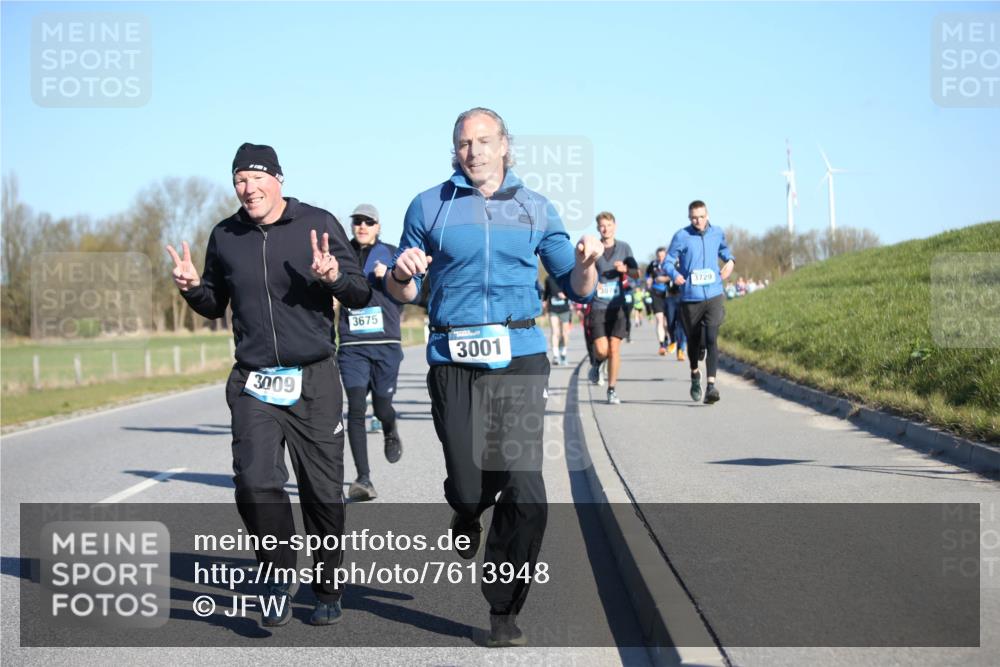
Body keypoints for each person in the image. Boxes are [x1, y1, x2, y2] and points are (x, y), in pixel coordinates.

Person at [385, 107, 601, 647]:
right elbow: (404, 293)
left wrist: (587, 260)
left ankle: (503, 607)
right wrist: (402, 274)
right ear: (454, 150)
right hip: (453, 357)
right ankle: (466, 513)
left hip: (520, 353)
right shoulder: (428, 206)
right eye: (464, 143)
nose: (474, 150)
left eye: (484, 140)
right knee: (467, 484)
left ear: (505, 144)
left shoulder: (535, 207)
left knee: (526, 486)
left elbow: (577, 286)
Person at [167, 143, 371, 627]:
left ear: (278, 179)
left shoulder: (316, 223)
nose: (248, 188)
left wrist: (334, 277)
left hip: (315, 379)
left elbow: (361, 294)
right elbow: (216, 304)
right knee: (255, 482)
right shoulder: (226, 234)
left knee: (322, 492)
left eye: (256, 178)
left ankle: (327, 582)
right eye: (239, 179)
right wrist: (193, 288)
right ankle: (278, 574)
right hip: (254, 381)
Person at [335, 203, 405, 502]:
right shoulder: (340, 255)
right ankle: (363, 478)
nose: (362, 226)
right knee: (355, 406)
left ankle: (390, 427)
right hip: (351, 344)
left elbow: (411, 290)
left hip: (386, 343)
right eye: (357, 222)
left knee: (382, 404)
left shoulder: (391, 252)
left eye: (368, 222)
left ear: (378, 226)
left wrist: (390, 274)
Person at [661, 200, 735, 403]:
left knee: (711, 338)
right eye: (694, 217)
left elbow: (725, 252)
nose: (698, 221)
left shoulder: (717, 232)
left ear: (707, 215)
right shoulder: (681, 236)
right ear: (689, 217)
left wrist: (730, 262)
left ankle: (711, 386)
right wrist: (674, 274)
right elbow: (666, 262)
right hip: (690, 297)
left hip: (714, 294)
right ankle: (695, 374)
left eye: (701, 217)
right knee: (694, 342)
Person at [585, 211, 639, 405]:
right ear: (598, 228)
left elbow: (636, 274)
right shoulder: (594, 249)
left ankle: (611, 389)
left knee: (614, 349)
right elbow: (583, 271)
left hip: (618, 307)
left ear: (614, 226)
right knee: (602, 349)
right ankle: (598, 363)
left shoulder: (624, 248)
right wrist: (592, 283)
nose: (605, 229)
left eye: (608, 225)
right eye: (601, 226)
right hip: (598, 305)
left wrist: (625, 270)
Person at [646, 247, 672, 355]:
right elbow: (648, 275)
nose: (660, 258)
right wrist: (649, 281)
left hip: (668, 294)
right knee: (659, 319)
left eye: (662, 256)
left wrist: (665, 279)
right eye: (659, 256)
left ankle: (666, 339)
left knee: (667, 322)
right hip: (656, 293)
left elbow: (675, 276)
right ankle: (661, 345)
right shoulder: (653, 264)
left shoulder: (670, 264)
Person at [543, 272, 572, 365]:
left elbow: (573, 291)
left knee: (565, 333)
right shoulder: (548, 278)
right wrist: (544, 302)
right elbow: (546, 292)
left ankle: (563, 353)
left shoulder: (566, 277)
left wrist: (566, 296)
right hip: (553, 309)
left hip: (565, 309)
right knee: (555, 332)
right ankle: (555, 356)